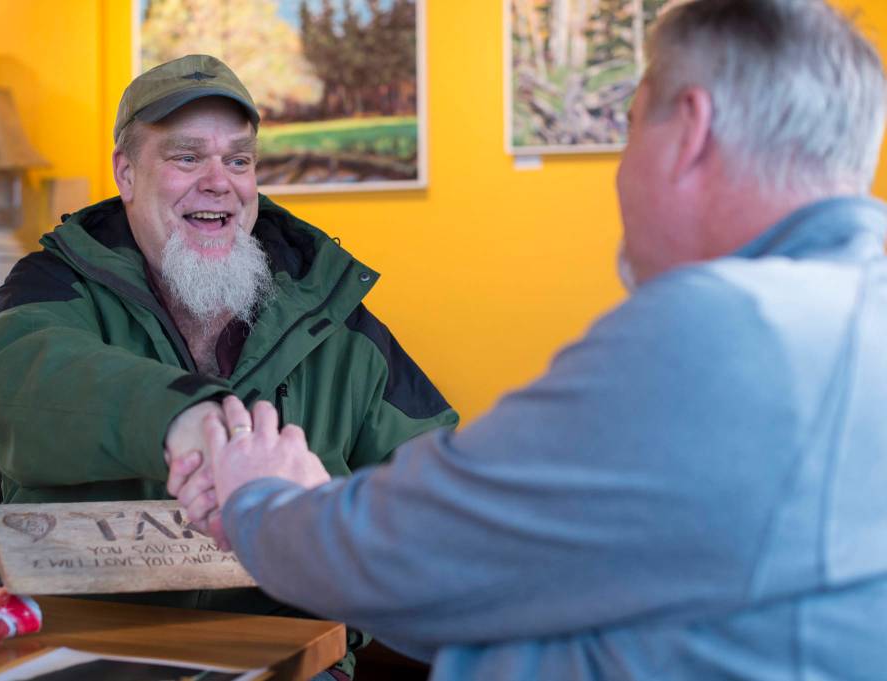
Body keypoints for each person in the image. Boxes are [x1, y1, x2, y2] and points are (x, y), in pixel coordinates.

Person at [168, 1, 887, 679]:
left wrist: (259, 494)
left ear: (691, 130)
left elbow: (415, 559)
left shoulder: (724, 329)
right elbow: (484, 579)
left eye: (630, 127)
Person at [0, 54, 458, 680]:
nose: (218, 181)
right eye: (186, 158)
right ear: (126, 173)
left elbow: (438, 493)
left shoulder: (333, 314)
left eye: (238, 160)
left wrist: (336, 556)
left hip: (290, 666)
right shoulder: (53, 284)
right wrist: (192, 421)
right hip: (77, 663)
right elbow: (33, 384)